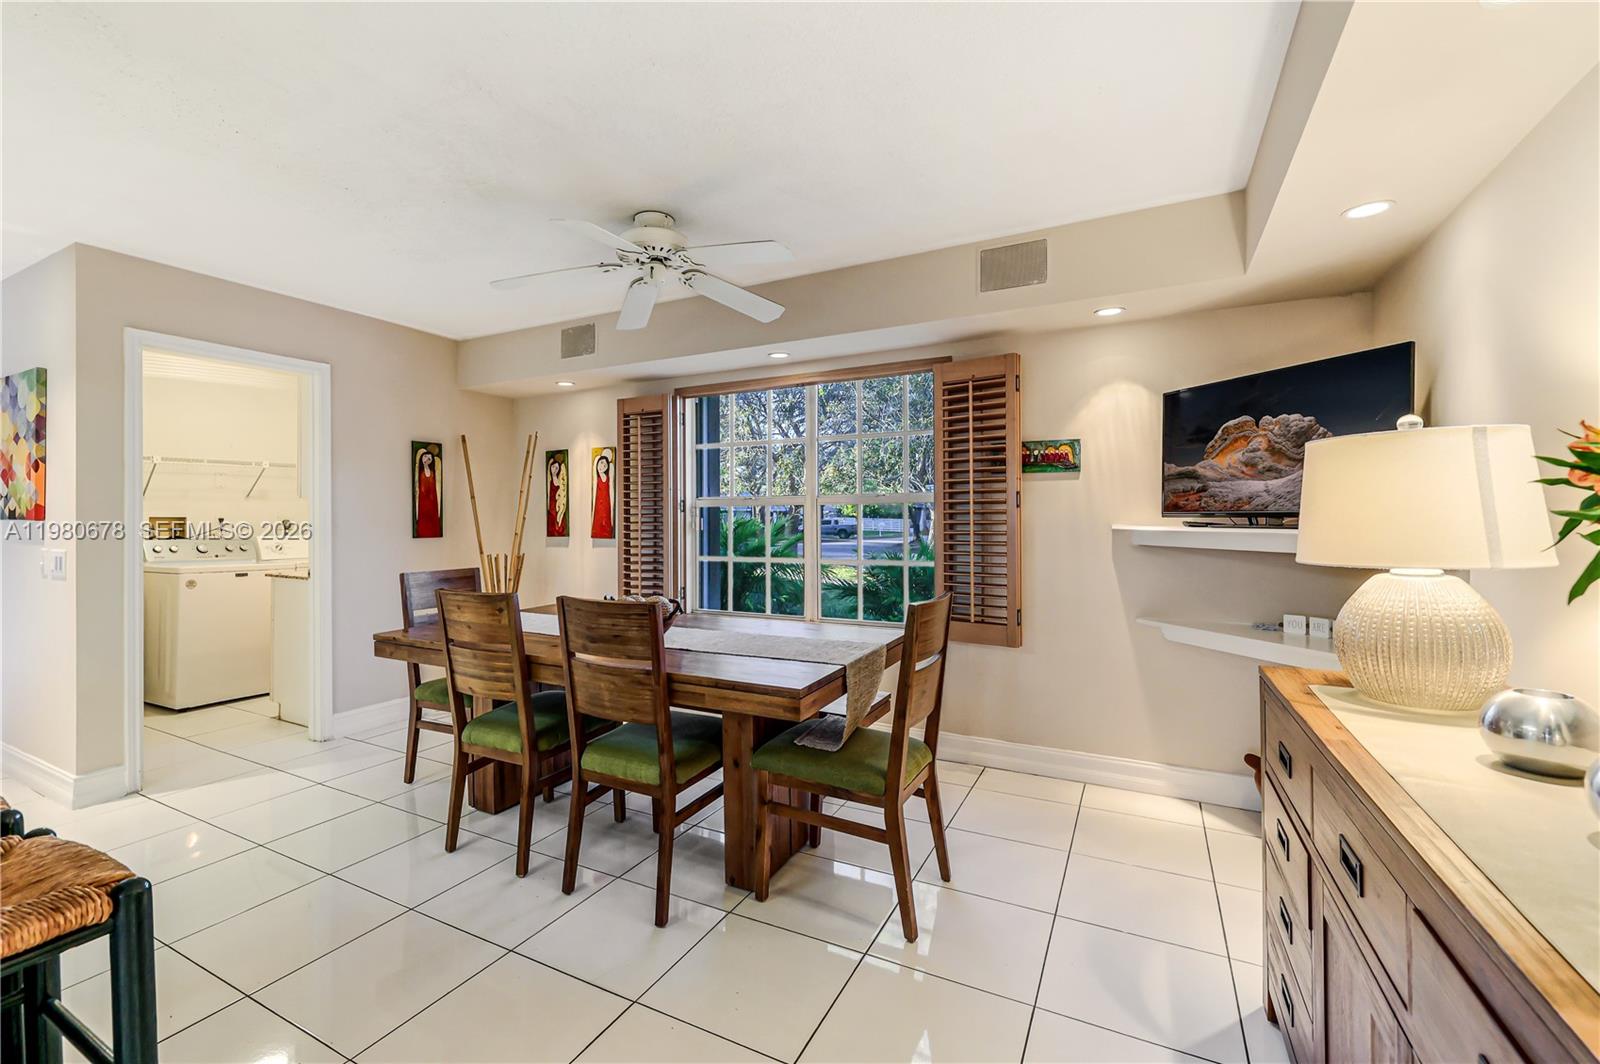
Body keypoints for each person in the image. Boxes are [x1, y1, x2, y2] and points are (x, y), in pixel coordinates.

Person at [414, 447, 441, 538]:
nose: (426, 459)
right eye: (425, 456)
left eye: (429, 458)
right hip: (424, 500)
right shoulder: (420, 472)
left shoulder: (432, 472)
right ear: (421, 457)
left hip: (431, 499)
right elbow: (420, 487)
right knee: (424, 518)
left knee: (432, 517)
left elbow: (433, 486)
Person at [591, 450, 614, 539]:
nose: (602, 467)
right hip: (598, 507)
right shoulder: (596, 478)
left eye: (605, 465)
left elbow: (611, 491)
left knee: (606, 526)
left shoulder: (608, 478)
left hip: (606, 506)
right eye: (601, 463)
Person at [546, 453, 568, 536]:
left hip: (557, 507)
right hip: (551, 508)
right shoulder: (549, 481)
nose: (554, 469)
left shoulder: (560, 483)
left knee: (559, 527)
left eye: (556, 468)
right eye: (553, 467)